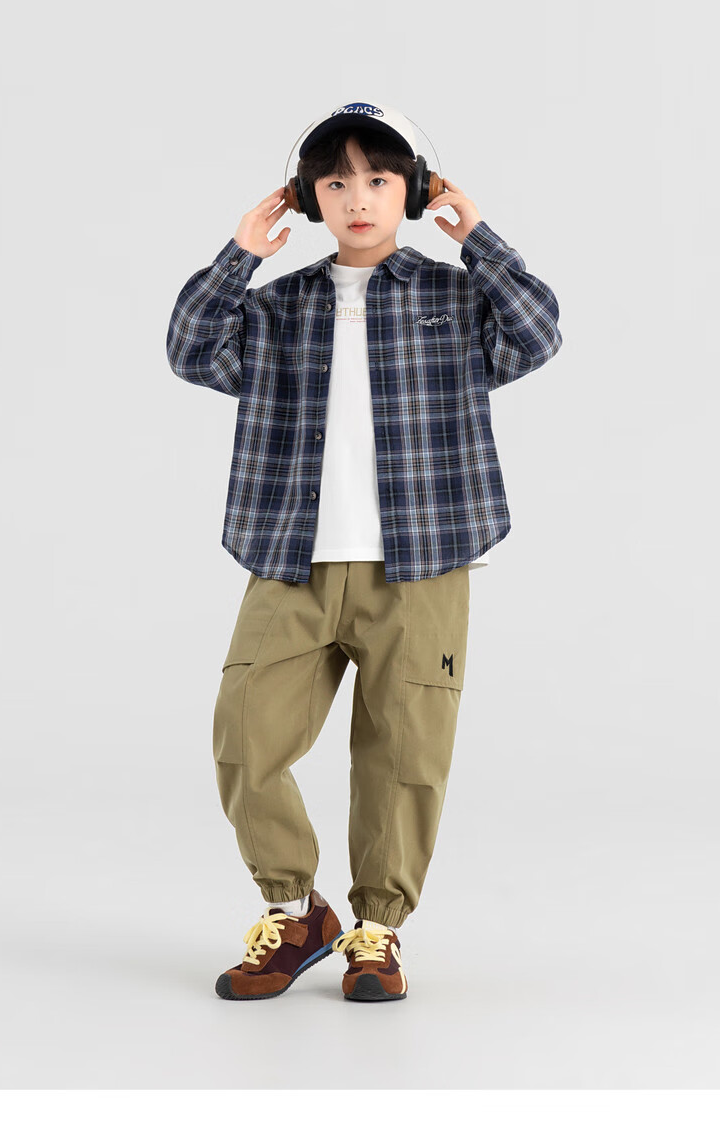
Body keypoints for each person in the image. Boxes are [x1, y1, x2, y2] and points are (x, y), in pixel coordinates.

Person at [165, 101, 563, 1002]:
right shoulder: (277, 308)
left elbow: (537, 334)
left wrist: (481, 241)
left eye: (379, 179)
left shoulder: (454, 297)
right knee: (245, 734)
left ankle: (377, 931)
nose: (357, 198)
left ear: (412, 191)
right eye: (336, 180)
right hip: (290, 558)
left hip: (422, 561)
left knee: (403, 753)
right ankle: (297, 911)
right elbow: (190, 351)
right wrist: (239, 255)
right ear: (306, 195)